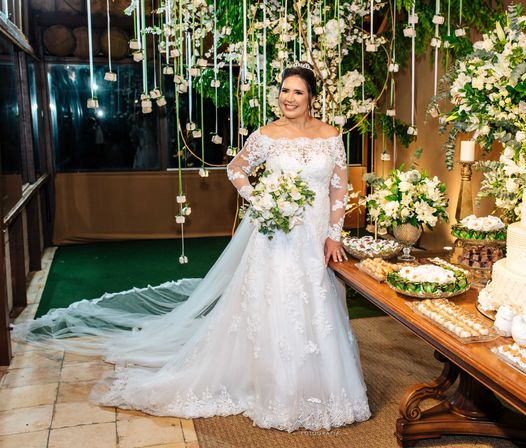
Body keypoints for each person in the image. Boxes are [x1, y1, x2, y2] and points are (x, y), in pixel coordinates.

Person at [13, 63, 371, 432]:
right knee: (276, 303)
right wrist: (259, 199)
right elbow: (236, 169)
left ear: (312, 97)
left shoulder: (330, 136)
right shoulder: (267, 135)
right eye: (284, 91)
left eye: (297, 92)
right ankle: (273, 385)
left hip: (312, 237)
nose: (288, 98)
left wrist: (334, 234)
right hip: (275, 236)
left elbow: (338, 188)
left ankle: (320, 386)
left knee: (316, 304)